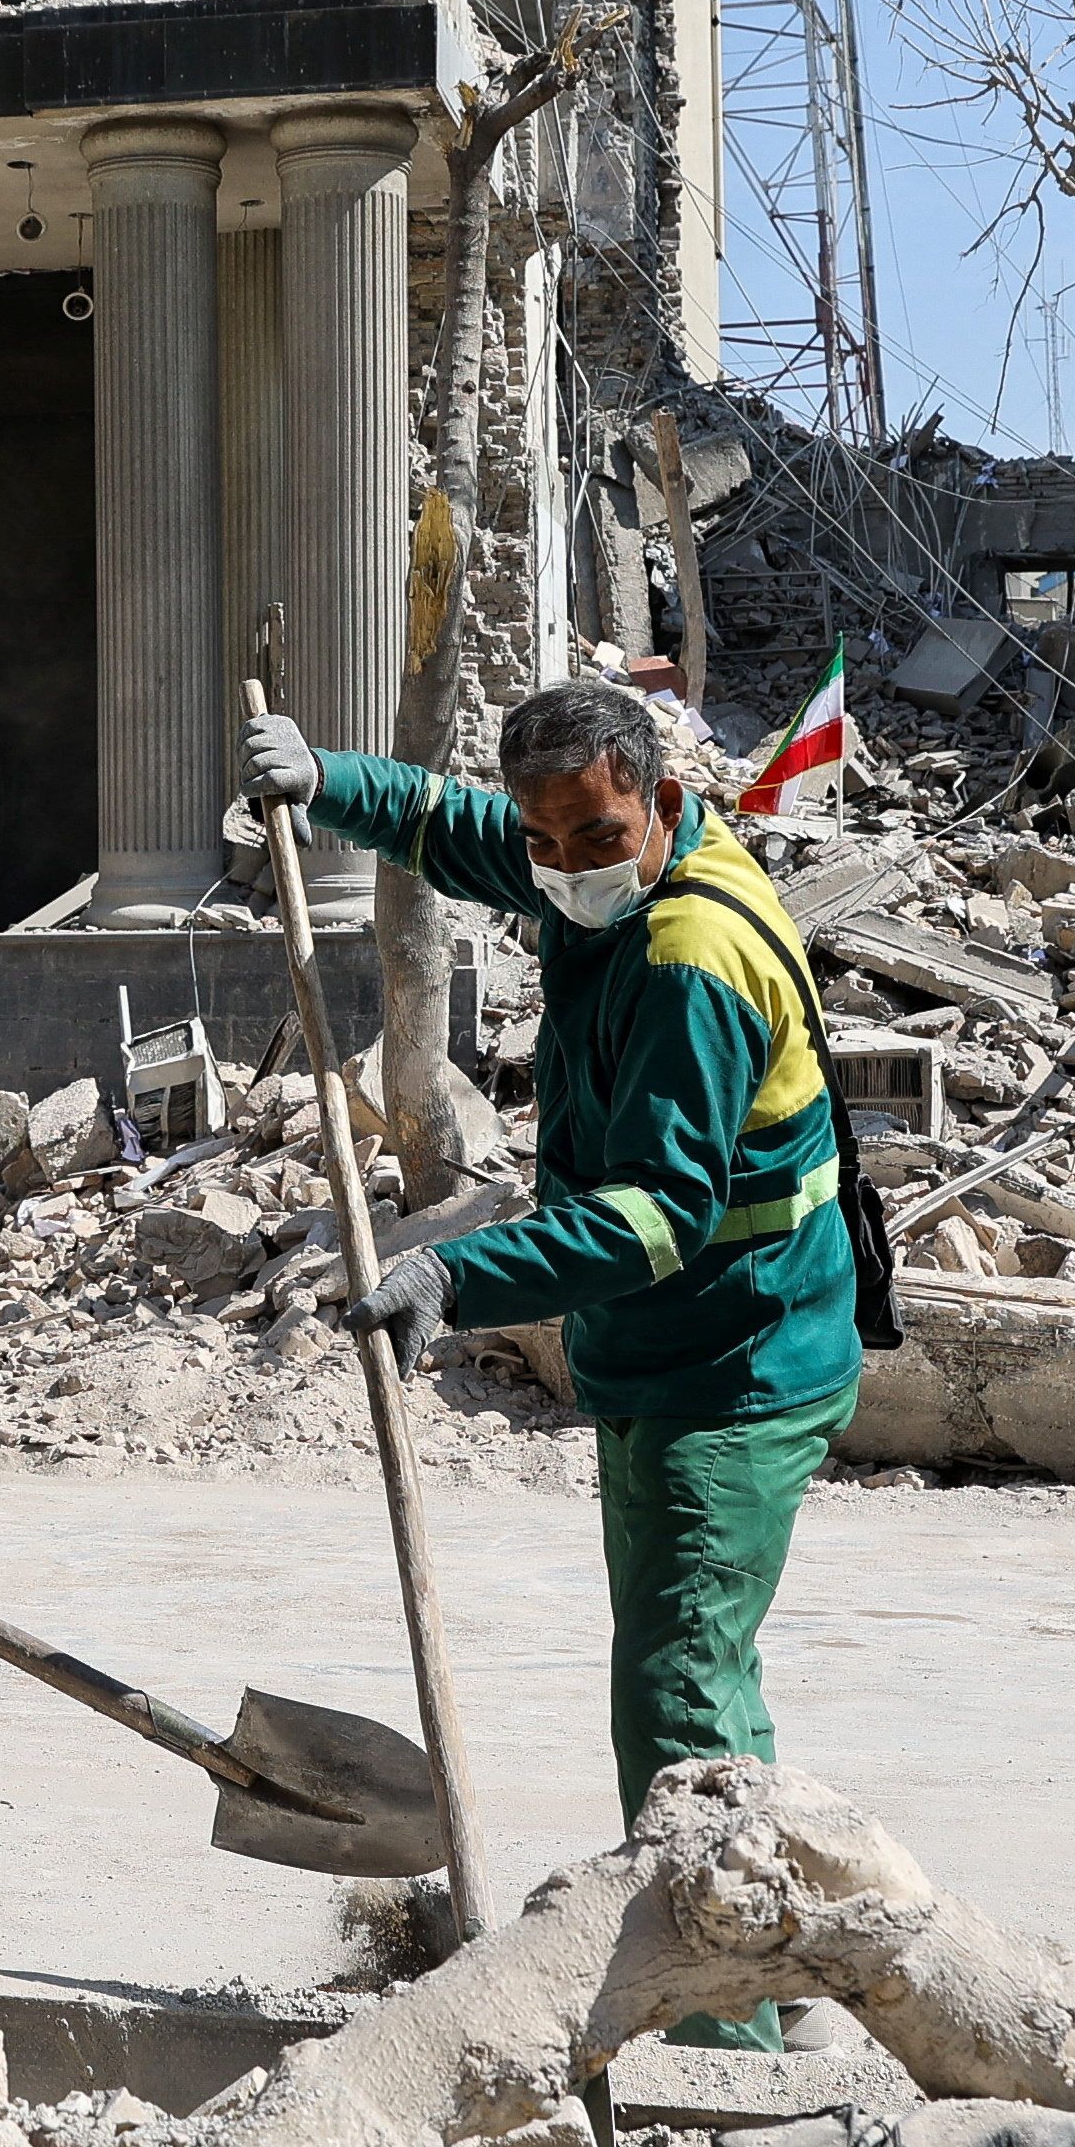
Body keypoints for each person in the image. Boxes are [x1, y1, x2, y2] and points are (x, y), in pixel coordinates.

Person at [245, 679, 862, 2035]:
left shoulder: (690, 958)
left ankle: (731, 2034)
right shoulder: (596, 870)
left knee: (679, 1693)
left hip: (739, 1357)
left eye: (597, 836)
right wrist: (326, 777)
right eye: (549, 841)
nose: (566, 866)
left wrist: (453, 1271)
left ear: (666, 808)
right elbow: (462, 828)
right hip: (675, 1347)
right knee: (694, 1664)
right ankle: (779, 1953)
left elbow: (651, 1217)